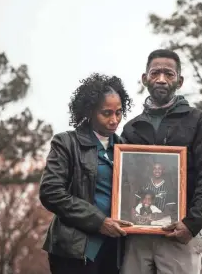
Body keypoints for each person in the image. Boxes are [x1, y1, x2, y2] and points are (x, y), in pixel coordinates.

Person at [121, 49, 202, 274]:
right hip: (137, 234)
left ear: (180, 81)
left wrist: (192, 224)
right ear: (145, 79)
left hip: (179, 233)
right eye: (155, 73)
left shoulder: (199, 122)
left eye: (169, 74)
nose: (162, 79)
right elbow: (125, 181)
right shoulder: (131, 129)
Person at [39, 73, 133, 274]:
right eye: (106, 113)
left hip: (115, 251)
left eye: (119, 112)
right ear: (89, 112)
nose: (114, 120)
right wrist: (99, 222)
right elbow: (51, 192)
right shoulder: (66, 143)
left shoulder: (127, 149)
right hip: (73, 250)